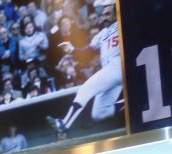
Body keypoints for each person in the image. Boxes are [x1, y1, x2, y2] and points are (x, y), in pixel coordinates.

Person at [46, 0, 122, 136]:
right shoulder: (102, 33)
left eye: (107, 14)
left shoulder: (123, 23)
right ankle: (128, 103)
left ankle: (64, 124)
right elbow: (88, 51)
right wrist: (72, 49)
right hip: (111, 71)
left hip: (117, 65)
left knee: (85, 89)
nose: (104, 17)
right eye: (103, 14)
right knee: (99, 113)